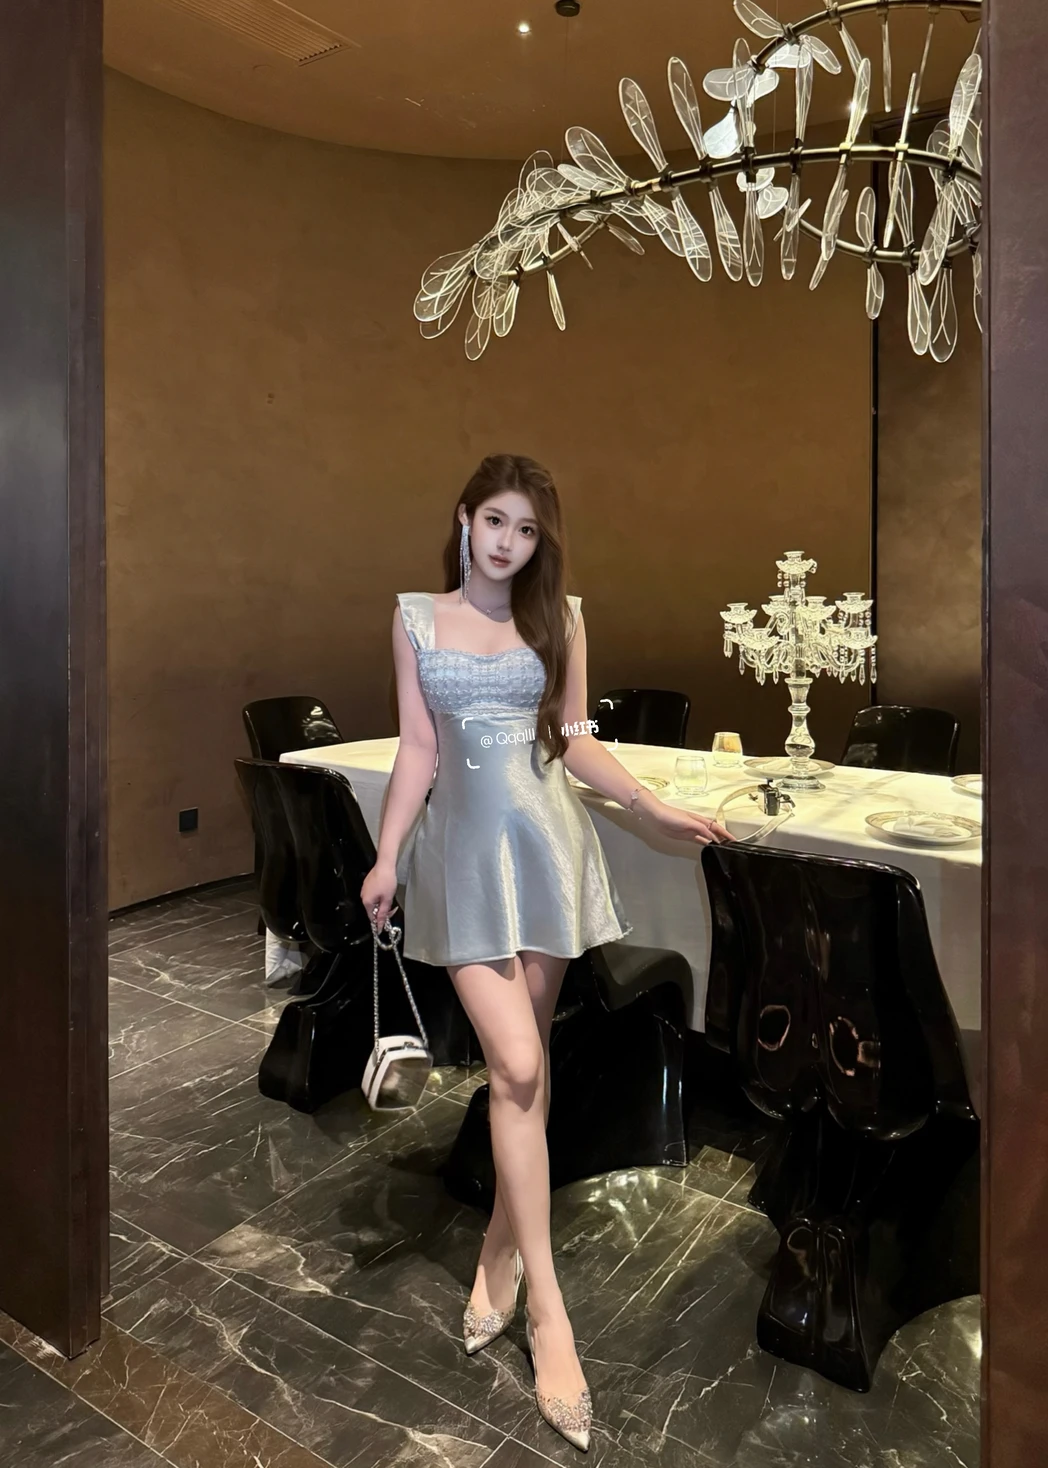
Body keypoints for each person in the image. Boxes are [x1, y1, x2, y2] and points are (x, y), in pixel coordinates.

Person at [361, 453, 730, 1452]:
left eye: (527, 530)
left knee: (522, 1078)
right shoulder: (414, 618)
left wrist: (651, 805)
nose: (510, 544)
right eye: (496, 522)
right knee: (519, 1063)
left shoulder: (560, 618)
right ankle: (550, 1314)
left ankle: (501, 1250)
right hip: (460, 865)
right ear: (464, 519)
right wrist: (387, 853)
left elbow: (572, 736)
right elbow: (419, 748)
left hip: (547, 856)